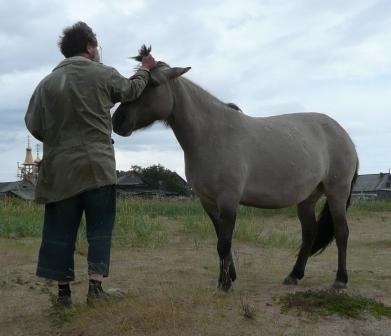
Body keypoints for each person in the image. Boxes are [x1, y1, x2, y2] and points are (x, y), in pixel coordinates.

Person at [25, 21, 156, 307]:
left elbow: (33, 125)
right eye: (95, 45)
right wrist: (146, 69)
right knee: (99, 228)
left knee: (59, 232)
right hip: (98, 168)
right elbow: (131, 90)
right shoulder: (103, 73)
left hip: (60, 173)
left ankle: (63, 296)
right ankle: (96, 291)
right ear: (89, 47)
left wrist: (58, 139)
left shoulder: (45, 84)